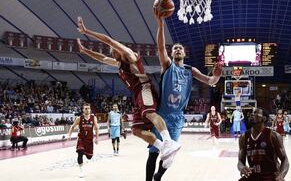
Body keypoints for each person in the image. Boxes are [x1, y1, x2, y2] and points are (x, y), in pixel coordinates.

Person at [76, 17, 180, 167]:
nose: (110, 51)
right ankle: (163, 147)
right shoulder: (118, 63)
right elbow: (103, 58)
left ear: (118, 48)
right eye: (111, 51)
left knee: (150, 114)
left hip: (144, 87)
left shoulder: (129, 55)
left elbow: (109, 40)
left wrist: (86, 32)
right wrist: (85, 51)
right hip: (136, 94)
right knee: (136, 130)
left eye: (113, 49)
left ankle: (169, 141)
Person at [146, 12, 223, 181]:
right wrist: (160, 25)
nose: (178, 49)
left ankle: (158, 176)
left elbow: (210, 81)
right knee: (153, 152)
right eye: (175, 49)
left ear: (184, 53)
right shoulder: (167, 65)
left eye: (180, 48)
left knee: (169, 155)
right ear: (172, 54)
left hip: (178, 117)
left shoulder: (190, 70)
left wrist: (217, 75)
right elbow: (160, 47)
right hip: (162, 115)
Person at [238, 108, 289, 181]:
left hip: (270, 176)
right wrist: (242, 167)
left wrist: (281, 175)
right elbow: (240, 161)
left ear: (264, 118)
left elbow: (285, 159)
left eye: (256, 113)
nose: (252, 114)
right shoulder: (243, 137)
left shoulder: (273, 136)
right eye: (252, 112)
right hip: (253, 175)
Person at [68, 103, 99, 178]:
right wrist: (69, 135)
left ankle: (86, 152)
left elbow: (97, 128)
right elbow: (72, 126)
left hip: (89, 140)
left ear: (90, 109)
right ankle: (81, 171)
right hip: (81, 139)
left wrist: (97, 138)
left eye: (88, 108)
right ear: (83, 109)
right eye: (85, 108)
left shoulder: (93, 118)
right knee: (80, 153)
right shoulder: (79, 118)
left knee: (89, 157)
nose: (87, 110)